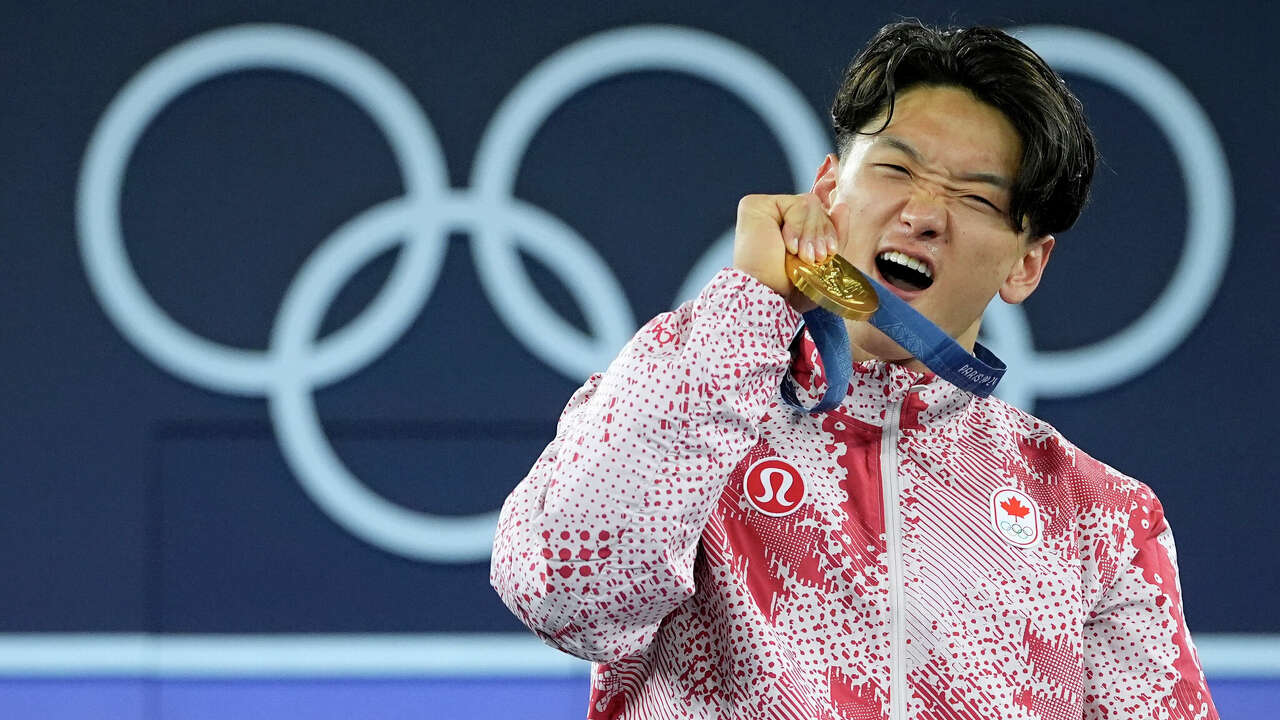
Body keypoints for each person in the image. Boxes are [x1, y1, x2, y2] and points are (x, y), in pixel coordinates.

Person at [490, 20, 1218, 720]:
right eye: (897, 168)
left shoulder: (1100, 518)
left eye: (973, 197)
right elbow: (561, 593)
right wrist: (750, 308)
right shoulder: (687, 397)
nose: (923, 214)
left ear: (1027, 264)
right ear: (828, 190)